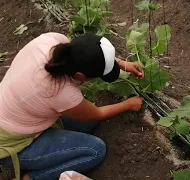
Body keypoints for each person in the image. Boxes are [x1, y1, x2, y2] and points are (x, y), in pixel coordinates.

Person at [0, 32, 144, 180]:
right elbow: (98, 113)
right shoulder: (60, 91)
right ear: (80, 76)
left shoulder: (51, 40)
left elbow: (86, 54)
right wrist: (128, 104)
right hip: (11, 144)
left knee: (88, 122)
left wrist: (120, 64)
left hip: (17, 114)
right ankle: (33, 177)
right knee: (95, 150)